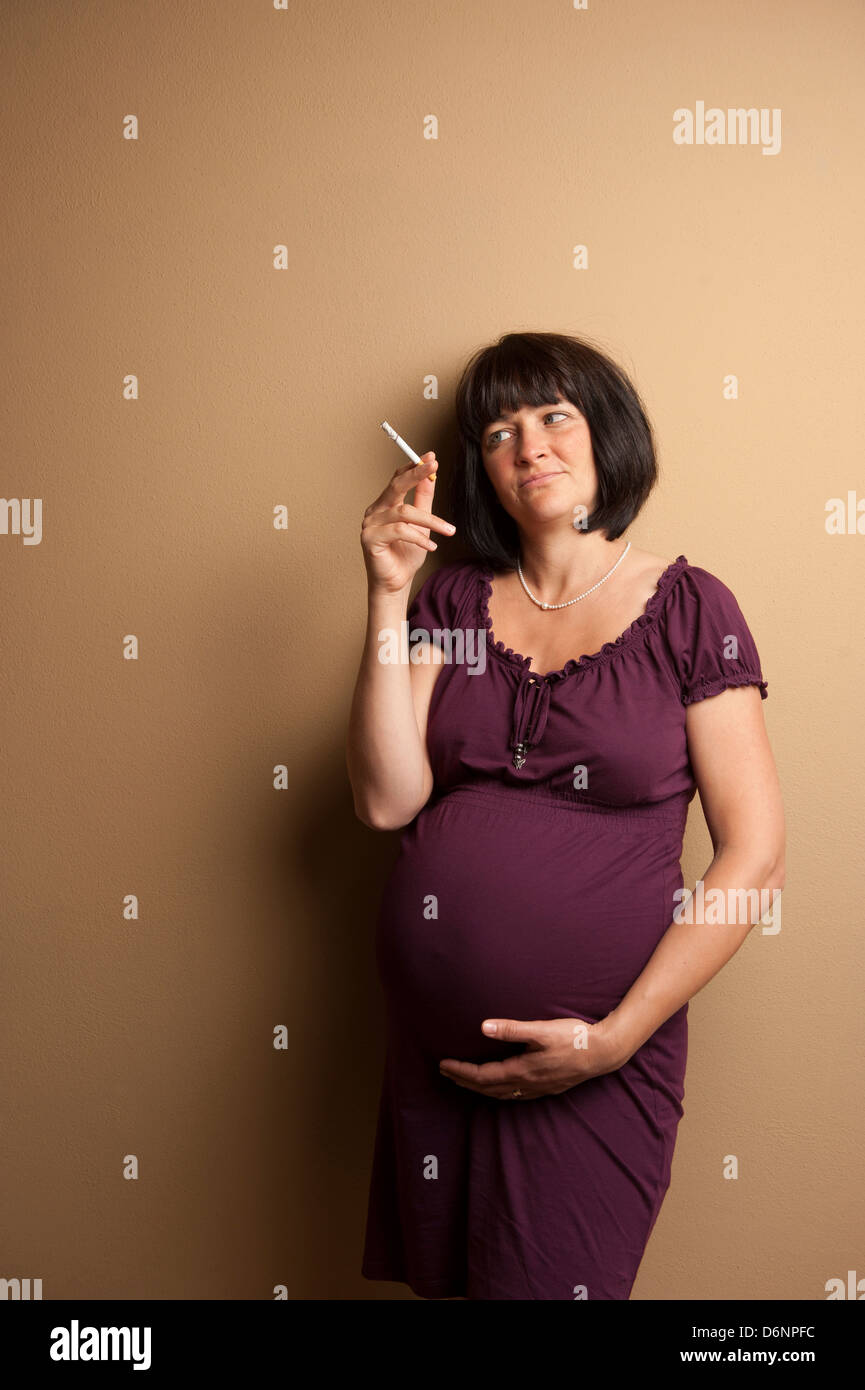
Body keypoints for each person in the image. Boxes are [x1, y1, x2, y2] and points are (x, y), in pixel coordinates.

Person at [345, 330, 785, 1300]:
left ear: (605, 435)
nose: (528, 444)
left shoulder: (687, 607)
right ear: (480, 469)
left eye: (554, 415)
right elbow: (387, 798)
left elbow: (750, 856)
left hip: (599, 1056)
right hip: (439, 1056)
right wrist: (386, 594)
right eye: (499, 429)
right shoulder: (452, 597)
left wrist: (618, 1034)